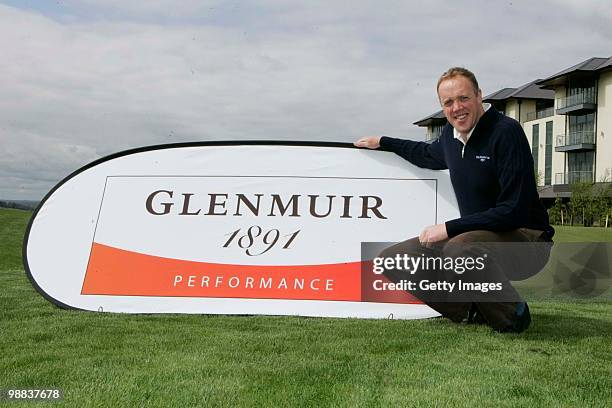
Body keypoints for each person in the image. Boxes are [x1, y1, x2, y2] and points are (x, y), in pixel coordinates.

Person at [354, 67, 554, 333]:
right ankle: (471, 312)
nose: (457, 108)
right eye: (448, 103)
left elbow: (513, 211)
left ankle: (512, 315)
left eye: (463, 98)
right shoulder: (450, 137)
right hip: (479, 238)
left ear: (479, 96)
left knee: (458, 247)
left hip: (527, 240)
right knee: (393, 258)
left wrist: (448, 228)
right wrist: (383, 141)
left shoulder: (506, 132)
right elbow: (424, 153)